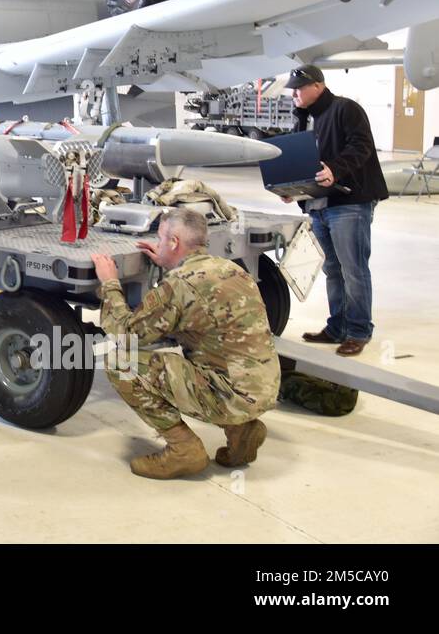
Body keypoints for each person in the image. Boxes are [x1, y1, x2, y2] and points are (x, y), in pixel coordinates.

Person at [92, 208, 280, 480]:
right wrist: (170, 264)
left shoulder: (180, 284)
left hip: (232, 396)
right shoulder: (230, 268)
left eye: (160, 239)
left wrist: (109, 282)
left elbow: (126, 334)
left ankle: (183, 450)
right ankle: (241, 430)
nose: (157, 245)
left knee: (119, 362)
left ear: (174, 242)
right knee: (208, 362)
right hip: (264, 388)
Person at [284, 64, 388, 357]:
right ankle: (337, 327)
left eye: (299, 88)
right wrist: (292, 189)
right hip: (318, 205)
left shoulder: (346, 109)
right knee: (332, 269)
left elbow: (362, 146)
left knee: (353, 268)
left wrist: (336, 170)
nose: (294, 93)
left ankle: (358, 331)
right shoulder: (303, 120)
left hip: (349, 202)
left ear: (318, 86)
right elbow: (302, 161)